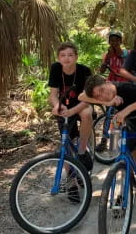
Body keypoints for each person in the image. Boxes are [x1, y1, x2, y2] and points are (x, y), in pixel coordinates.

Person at [79, 75, 136, 220]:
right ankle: (125, 192)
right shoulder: (106, 97)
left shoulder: (126, 88)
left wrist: (126, 110)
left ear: (107, 82)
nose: (103, 96)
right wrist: (109, 101)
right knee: (128, 158)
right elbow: (81, 96)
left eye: (102, 91)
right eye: (98, 96)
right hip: (134, 124)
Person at [48, 42, 93, 173]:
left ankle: (82, 150)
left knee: (86, 113)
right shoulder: (56, 68)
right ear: (58, 58)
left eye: (70, 55)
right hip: (64, 105)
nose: (66, 58)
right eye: (63, 55)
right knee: (66, 141)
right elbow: (53, 95)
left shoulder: (84, 71)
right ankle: (70, 180)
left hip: (81, 104)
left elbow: (89, 98)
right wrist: (57, 106)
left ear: (76, 57)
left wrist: (72, 111)